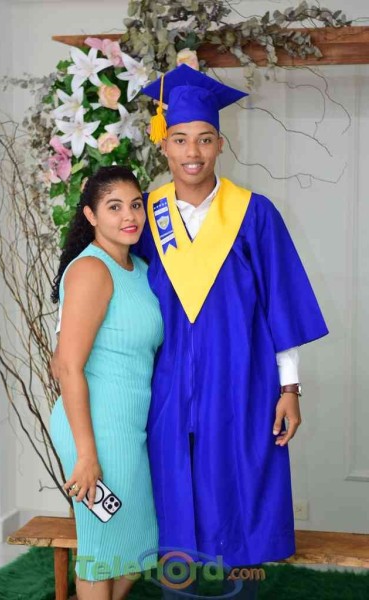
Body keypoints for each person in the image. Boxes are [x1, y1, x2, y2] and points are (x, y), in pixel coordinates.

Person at [132, 64, 329, 599]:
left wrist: (290, 388)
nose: (192, 151)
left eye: (204, 138)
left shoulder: (254, 214)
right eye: (179, 139)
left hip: (243, 377)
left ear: (221, 144)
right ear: (163, 146)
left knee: (239, 489)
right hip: (167, 380)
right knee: (173, 488)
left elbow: (281, 305)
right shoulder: (145, 217)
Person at [49, 165, 164, 600]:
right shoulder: (91, 270)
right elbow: (67, 367)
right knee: (102, 551)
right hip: (95, 429)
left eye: (135, 205)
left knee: (136, 546)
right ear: (91, 215)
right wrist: (86, 455)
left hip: (129, 427)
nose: (129, 216)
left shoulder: (141, 270)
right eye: (114, 207)